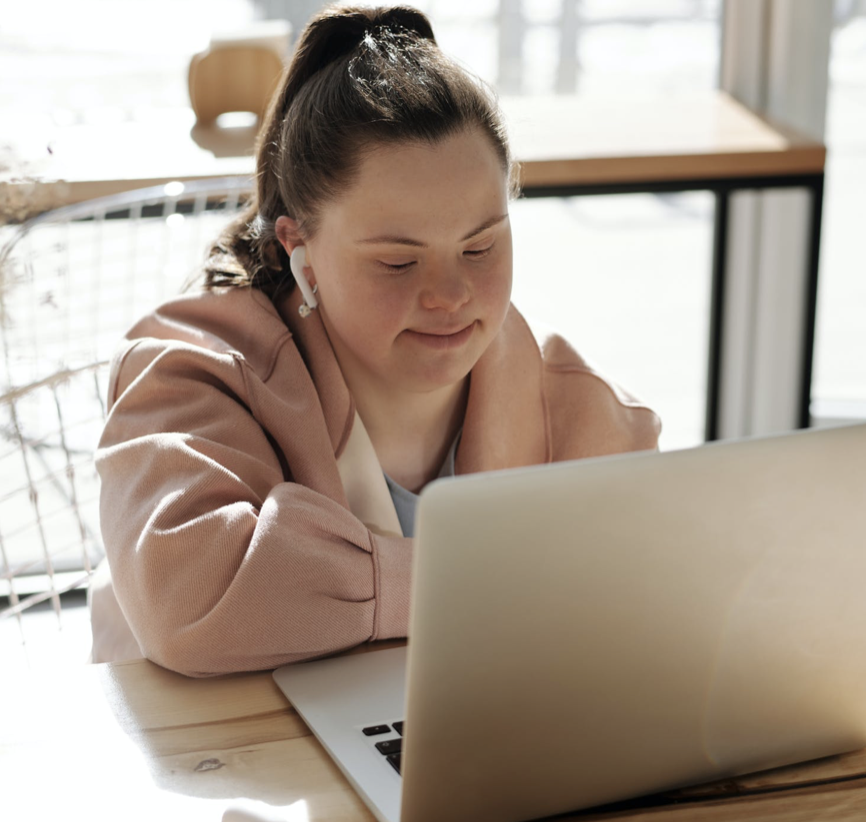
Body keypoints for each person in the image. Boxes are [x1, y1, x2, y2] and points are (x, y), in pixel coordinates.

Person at [88, 3, 662, 677]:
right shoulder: (192, 372)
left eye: (480, 247)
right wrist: (484, 585)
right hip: (210, 763)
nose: (449, 295)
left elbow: (649, 600)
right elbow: (191, 601)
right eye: (398, 260)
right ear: (299, 246)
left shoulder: (578, 406)